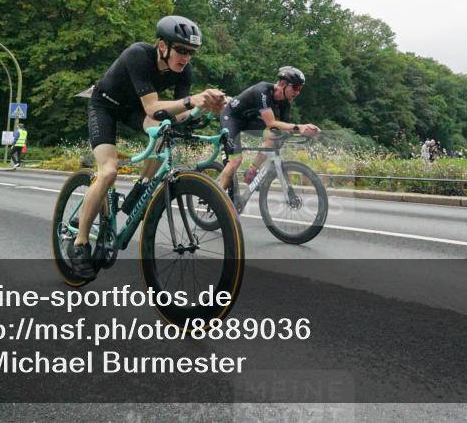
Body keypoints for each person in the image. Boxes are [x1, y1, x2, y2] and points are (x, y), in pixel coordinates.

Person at [69, 15, 225, 277]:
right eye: (181, 50)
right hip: (104, 106)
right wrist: (193, 100)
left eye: (191, 53)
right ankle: (80, 242)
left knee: (167, 130)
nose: (186, 58)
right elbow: (153, 107)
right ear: (162, 46)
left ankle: (141, 186)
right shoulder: (138, 55)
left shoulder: (184, 71)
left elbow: (178, 116)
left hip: (133, 109)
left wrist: (205, 108)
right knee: (107, 172)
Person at [215, 66, 321, 195]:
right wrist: (299, 127)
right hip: (232, 118)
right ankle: (216, 198)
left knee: (275, 135)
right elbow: (271, 123)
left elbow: (284, 127)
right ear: (283, 84)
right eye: (295, 87)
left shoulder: (285, 103)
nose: (298, 92)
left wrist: (307, 130)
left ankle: (251, 172)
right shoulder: (263, 90)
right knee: (236, 161)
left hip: (249, 121)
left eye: (300, 89)